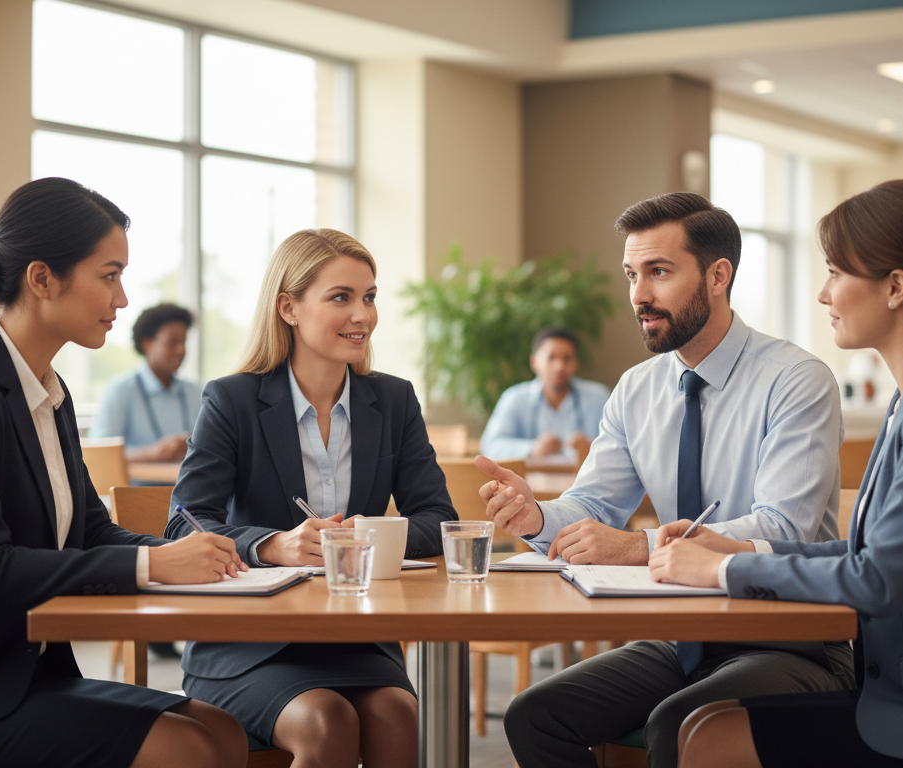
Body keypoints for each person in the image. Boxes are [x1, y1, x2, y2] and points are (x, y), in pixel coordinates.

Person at [0, 178, 250, 768]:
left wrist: (193, 558)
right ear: (42, 279)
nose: (123, 298)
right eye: (109, 275)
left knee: (223, 732)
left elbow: (90, 530)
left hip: (19, 675)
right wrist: (155, 563)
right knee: (187, 747)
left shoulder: (48, 394)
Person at [663, 179, 903, 768]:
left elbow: (878, 579)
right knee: (702, 726)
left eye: (835, 273)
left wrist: (723, 569)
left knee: (707, 738)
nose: (824, 294)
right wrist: (738, 548)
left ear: (896, 287)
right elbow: (864, 550)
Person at [476, 192, 850, 768]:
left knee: (677, 724)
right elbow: (595, 504)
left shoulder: (797, 380)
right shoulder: (636, 389)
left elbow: (781, 526)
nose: (638, 295)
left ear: (718, 275)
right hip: (686, 635)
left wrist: (637, 546)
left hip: (790, 638)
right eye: (631, 274)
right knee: (535, 716)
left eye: (659, 272)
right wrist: (539, 517)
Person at [166, 228, 457, 768]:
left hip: (358, 639)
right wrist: (272, 545)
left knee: (399, 716)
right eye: (341, 297)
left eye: (369, 297)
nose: (363, 315)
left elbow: (440, 518)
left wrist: (362, 538)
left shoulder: (393, 400)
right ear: (288, 309)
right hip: (250, 644)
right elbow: (183, 524)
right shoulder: (232, 400)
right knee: (327, 720)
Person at [93, 302, 204, 465]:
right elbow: (99, 455)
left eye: (184, 342)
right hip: (136, 489)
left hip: (188, 489)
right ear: (148, 344)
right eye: (173, 342)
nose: (181, 350)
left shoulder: (197, 392)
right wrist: (153, 453)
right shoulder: (120, 392)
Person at [480, 327, 610, 462]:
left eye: (567, 358)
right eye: (551, 357)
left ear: (576, 362)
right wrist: (532, 449)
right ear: (534, 362)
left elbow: (619, 447)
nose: (559, 366)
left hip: (583, 481)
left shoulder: (598, 397)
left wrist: (593, 447)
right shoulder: (515, 398)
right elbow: (490, 447)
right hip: (529, 482)